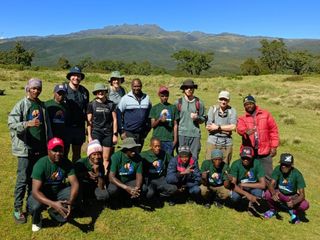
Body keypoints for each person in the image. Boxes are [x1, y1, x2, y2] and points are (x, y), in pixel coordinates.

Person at [8, 78, 51, 224]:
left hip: (40, 149)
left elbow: (46, 127)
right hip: (25, 149)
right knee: (22, 179)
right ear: (28, 89)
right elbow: (11, 124)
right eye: (33, 88)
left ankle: (32, 205)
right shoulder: (21, 104)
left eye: (38, 88)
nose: (36, 91)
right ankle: (17, 209)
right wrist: (28, 124)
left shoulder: (41, 105)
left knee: (36, 179)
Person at [27, 138, 79, 232]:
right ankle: (37, 219)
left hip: (57, 192)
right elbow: (35, 191)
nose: (58, 153)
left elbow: (75, 183)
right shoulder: (41, 164)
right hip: (41, 193)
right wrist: (53, 204)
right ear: (48, 150)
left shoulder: (66, 162)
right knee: (35, 206)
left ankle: (55, 212)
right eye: (54, 150)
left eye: (60, 150)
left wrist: (71, 201)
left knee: (74, 193)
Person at [237, 95, 279, 178]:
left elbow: (273, 131)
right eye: (246, 104)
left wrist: (274, 147)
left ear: (254, 104)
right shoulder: (242, 118)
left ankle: (268, 190)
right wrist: (245, 131)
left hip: (265, 151)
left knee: (268, 175)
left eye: (250, 103)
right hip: (249, 152)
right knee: (249, 175)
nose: (248, 106)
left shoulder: (266, 115)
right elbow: (239, 128)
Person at [264, 153, 309, 224]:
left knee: (305, 205)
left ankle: (294, 213)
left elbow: (302, 195)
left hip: (292, 196)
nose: (284, 167)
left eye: (287, 165)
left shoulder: (297, 174)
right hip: (280, 193)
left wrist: (294, 202)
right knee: (267, 194)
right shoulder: (277, 169)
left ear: (291, 165)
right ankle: (273, 209)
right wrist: (273, 193)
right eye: (282, 164)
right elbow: (271, 184)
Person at [87, 83, 118, 173]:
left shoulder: (111, 104)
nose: (100, 92)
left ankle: (104, 177)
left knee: (106, 158)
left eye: (102, 91)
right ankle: (95, 176)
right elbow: (89, 122)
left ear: (105, 92)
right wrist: (89, 136)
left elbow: (115, 120)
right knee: (95, 157)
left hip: (108, 133)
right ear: (95, 93)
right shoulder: (91, 104)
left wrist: (115, 134)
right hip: (96, 133)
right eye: (98, 91)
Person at [108, 138, 146, 205]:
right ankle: (117, 198)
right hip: (118, 181)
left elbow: (139, 175)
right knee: (112, 190)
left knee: (144, 188)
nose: (134, 151)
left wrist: (137, 188)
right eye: (131, 149)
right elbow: (111, 177)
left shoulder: (138, 158)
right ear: (125, 149)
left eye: (135, 148)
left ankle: (129, 197)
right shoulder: (116, 157)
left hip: (130, 181)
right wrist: (126, 188)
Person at [118, 78, 152, 152]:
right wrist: (121, 131)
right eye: (135, 86)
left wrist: (147, 129)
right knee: (129, 153)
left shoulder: (146, 98)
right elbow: (118, 114)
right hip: (128, 132)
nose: (137, 88)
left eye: (138, 86)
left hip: (141, 133)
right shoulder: (125, 98)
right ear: (131, 86)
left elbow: (149, 115)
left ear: (141, 86)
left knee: (137, 153)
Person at [175, 79, 206, 160]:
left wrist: (197, 117)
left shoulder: (199, 103)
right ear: (183, 89)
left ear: (193, 89)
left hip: (195, 134)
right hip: (181, 134)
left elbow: (203, 118)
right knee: (181, 158)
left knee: (194, 158)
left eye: (191, 88)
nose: (189, 89)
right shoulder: (178, 102)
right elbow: (175, 120)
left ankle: (193, 173)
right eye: (186, 88)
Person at [64, 66, 89, 162]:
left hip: (79, 127)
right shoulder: (63, 89)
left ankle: (76, 173)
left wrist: (88, 126)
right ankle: (63, 174)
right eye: (74, 75)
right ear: (70, 77)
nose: (76, 78)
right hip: (66, 127)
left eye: (78, 76)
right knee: (64, 152)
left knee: (77, 153)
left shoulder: (84, 91)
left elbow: (87, 109)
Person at [140, 137, 177, 201]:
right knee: (149, 194)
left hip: (161, 178)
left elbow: (173, 161)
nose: (157, 148)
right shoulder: (143, 155)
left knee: (174, 189)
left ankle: (159, 195)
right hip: (149, 180)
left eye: (159, 146)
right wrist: (150, 163)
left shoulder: (164, 154)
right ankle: (154, 194)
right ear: (151, 146)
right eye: (155, 146)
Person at [229, 146, 266, 211]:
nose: (245, 160)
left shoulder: (257, 163)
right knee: (234, 197)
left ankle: (252, 205)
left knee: (259, 193)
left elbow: (263, 185)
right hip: (240, 188)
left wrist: (244, 184)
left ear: (252, 157)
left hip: (252, 187)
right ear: (240, 156)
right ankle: (240, 203)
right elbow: (233, 185)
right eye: (243, 158)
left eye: (248, 158)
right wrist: (247, 194)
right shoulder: (235, 164)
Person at [206, 91, 237, 164]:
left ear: (228, 100)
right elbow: (209, 127)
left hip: (227, 142)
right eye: (221, 99)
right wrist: (226, 128)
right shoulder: (212, 109)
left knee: (225, 165)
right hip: (213, 141)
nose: (223, 101)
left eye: (225, 100)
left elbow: (233, 127)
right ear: (218, 100)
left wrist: (217, 127)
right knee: (209, 164)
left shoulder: (232, 111)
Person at [75, 140, 109, 205]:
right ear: (89, 155)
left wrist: (98, 173)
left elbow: (101, 187)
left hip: (93, 187)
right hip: (82, 187)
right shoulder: (81, 162)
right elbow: (73, 177)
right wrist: (86, 174)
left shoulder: (100, 164)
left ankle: (91, 199)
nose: (96, 157)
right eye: (94, 154)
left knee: (104, 195)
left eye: (99, 154)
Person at [149, 86, 179, 155]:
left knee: (168, 160)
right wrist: (159, 120)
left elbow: (175, 125)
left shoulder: (173, 108)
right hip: (157, 139)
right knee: (157, 160)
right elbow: (152, 125)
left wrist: (175, 140)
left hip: (169, 139)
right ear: (159, 95)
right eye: (162, 96)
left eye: (166, 96)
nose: (164, 98)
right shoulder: (155, 108)